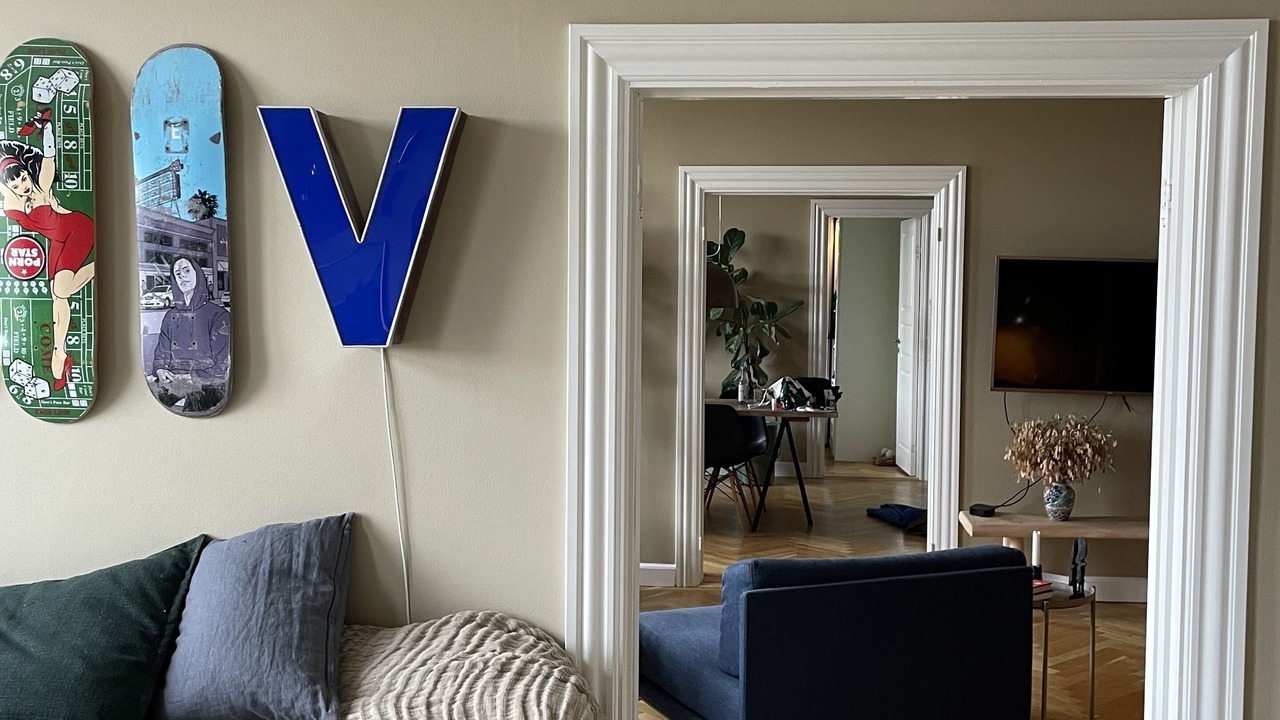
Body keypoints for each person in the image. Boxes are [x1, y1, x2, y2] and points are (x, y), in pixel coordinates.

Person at [0, 110, 95, 391]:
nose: (22, 185)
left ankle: (99, 267)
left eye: (23, 179)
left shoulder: (41, 186)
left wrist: (47, 129)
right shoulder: (11, 203)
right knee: (58, 298)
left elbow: (50, 157)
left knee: (62, 289)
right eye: (14, 184)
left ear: (27, 173)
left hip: (77, 229)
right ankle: (60, 355)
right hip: (58, 241)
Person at [152, 258, 230, 392]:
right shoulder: (170, 316)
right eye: (177, 274)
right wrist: (160, 370)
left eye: (187, 270)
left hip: (206, 385)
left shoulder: (218, 315)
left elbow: (223, 364)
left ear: (197, 274)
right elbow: (161, 354)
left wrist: (192, 377)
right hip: (173, 382)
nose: (182, 276)